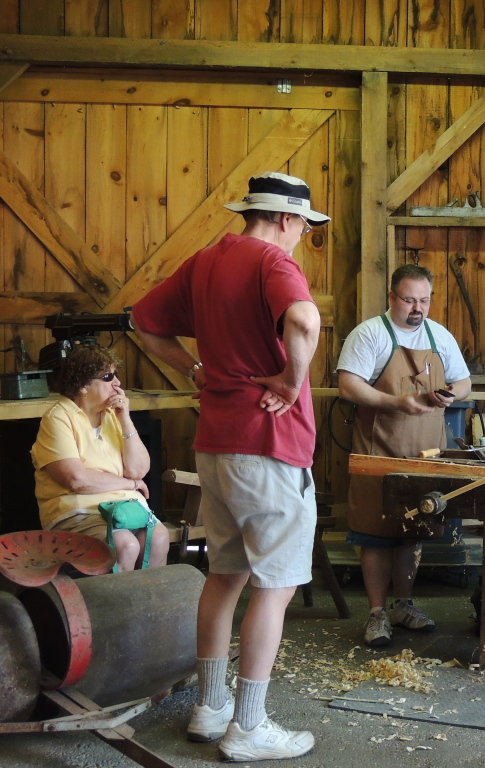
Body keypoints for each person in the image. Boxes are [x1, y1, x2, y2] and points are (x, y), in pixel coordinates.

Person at [132, 171, 326, 762]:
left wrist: (194, 371)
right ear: (288, 219)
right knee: (276, 585)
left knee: (226, 575)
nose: (301, 238)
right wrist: (293, 382)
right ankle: (249, 726)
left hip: (215, 443)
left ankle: (210, 707)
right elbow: (306, 321)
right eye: (304, 228)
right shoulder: (272, 262)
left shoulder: (205, 260)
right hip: (268, 443)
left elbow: (143, 321)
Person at [337, 263, 472, 647]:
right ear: (392, 298)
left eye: (424, 300)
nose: (418, 308)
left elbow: (464, 381)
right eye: (410, 300)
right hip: (378, 450)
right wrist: (396, 402)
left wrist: (451, 393)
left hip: (423, 453)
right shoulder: (370, 335)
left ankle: (404, 605)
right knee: (375, 534)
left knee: (414, 531)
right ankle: (378, 614)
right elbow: (348, 386)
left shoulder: (438, 335)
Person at [31, 346, 169, 572]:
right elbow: (77, 479)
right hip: (77, 512)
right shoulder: (58, 417)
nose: (118, 383)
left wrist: (125, 418)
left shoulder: (112, 415)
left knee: (160, 538)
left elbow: (139, 470)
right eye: (108, 377)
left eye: (116, 375)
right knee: (125, 544)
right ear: (83, 385)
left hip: (125, 509)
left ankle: (147, 606)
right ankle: (116, 606)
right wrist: (130, 485)